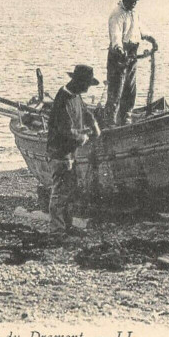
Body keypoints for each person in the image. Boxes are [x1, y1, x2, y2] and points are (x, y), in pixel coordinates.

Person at [46, 65, 101, 238]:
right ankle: (57, 230)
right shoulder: (63, 99)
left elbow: (84, 111)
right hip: (60, 152)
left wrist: (94, 124)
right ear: (77, 82)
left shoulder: (75, 95)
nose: (87, 89)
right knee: (60, 192)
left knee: (70, 191)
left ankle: (67, 226)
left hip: (71, 152)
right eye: (86, 85)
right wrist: (81, 138)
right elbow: (66, 130)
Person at [105, 0, 151, 126]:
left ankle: (126, 117)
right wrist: (119, 49)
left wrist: (150, 38)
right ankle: (110, 122)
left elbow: (140, 29)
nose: (133, 3)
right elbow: (116, 36)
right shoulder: (117, 14)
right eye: (131, 0)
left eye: (135, 1)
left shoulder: (134, 13)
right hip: (118, 56)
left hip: (132, 54)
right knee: (116, 90)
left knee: (130, 88)